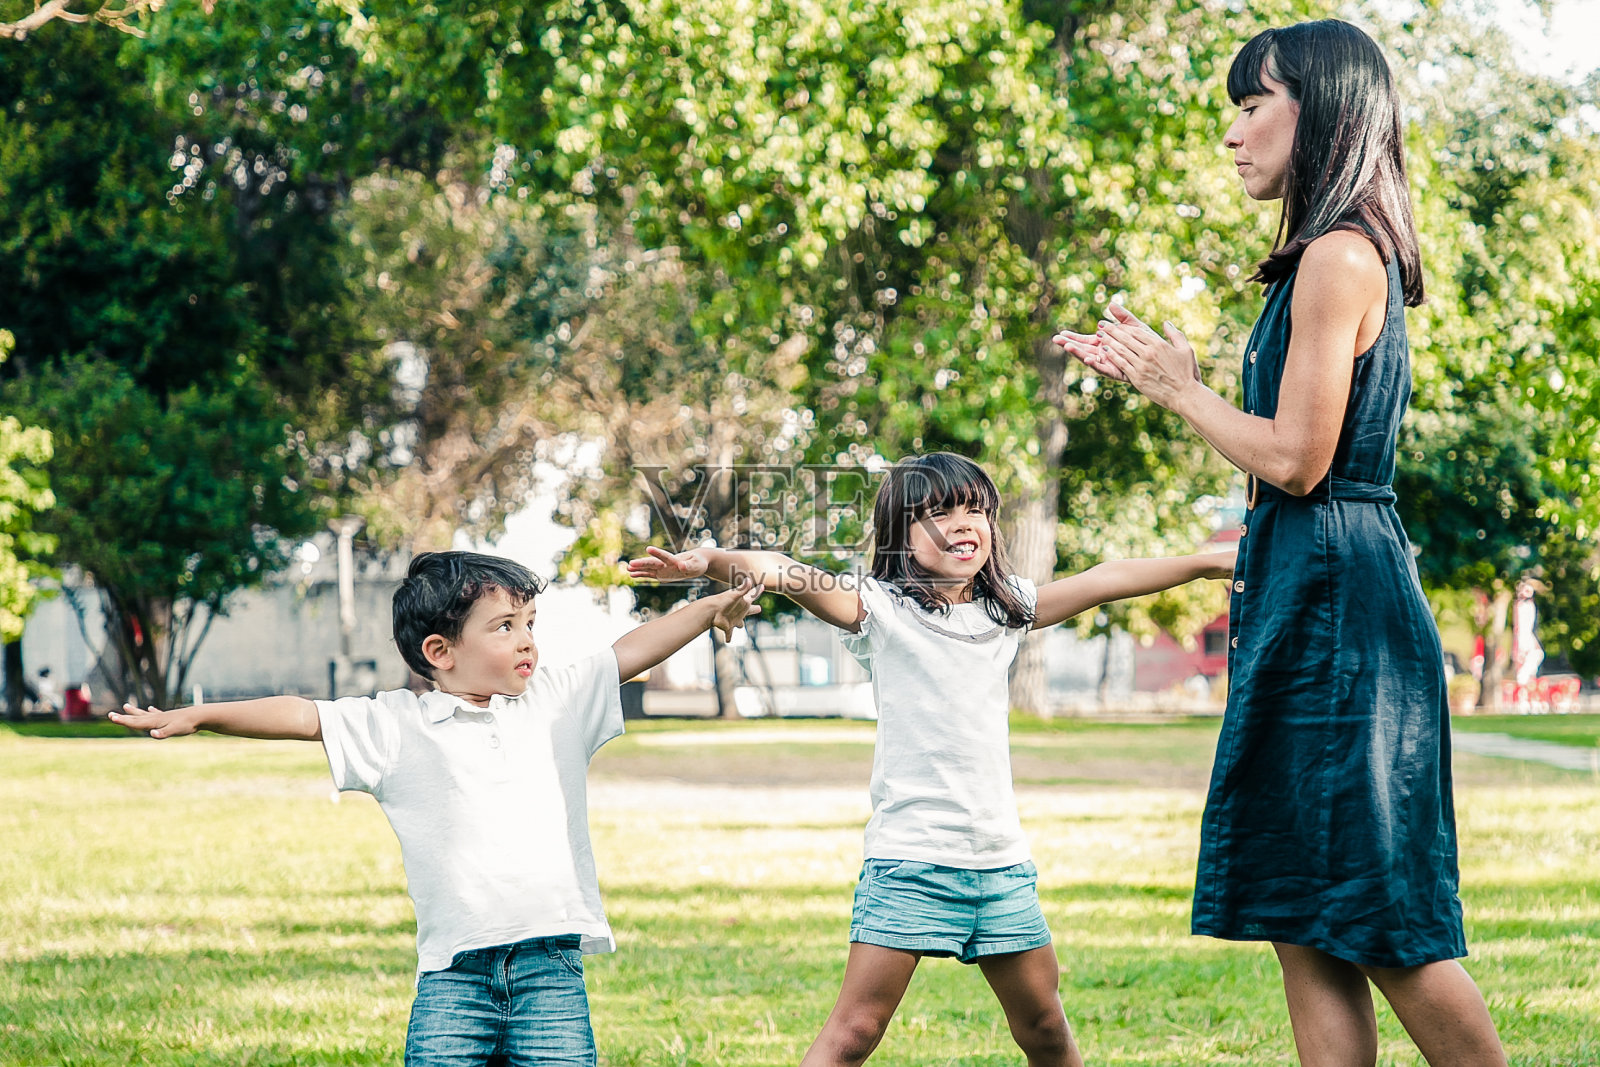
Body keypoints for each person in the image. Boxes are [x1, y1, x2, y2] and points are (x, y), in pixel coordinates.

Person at [1052, 20, 1507, 1067]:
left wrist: (1179, 386)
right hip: (1305, 588)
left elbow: (1299, 460)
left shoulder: (1339, 257)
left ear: (1322, 111)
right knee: (1300, 909)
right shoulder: (1311, 262)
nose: (1232, 134)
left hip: (1341, 603)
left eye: (1251, 105)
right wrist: (1171, 381)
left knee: (1383, 915)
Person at [628, 452, 1234, 1067]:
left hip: (1000, 865)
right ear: (901, 538)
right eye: (939, 513)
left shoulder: (1007, 610)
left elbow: (1109, 576)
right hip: (912, 861)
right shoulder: (879, 609)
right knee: (855, 1032)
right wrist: (710, 561)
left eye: (976, 510)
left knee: (1046, 1026)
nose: (963, 524)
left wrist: (1210, 562)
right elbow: (784, 570)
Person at [110, 550, 762, 1067]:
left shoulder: (555, 700)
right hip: (456, 976)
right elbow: (303, 714)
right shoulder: (398, 727)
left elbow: (632, 649)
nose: (527, 640)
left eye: (530, 623)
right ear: (439, 652)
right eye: (505, 626)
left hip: (550, 967)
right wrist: (201, 713)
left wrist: (710, 608)